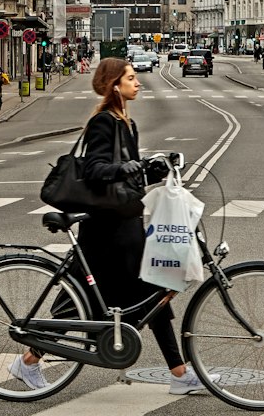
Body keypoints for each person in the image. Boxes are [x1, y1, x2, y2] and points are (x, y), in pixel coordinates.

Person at [11, 58, 203, 395]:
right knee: (82, 303)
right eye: (131, 78)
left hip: (125, 224)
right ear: (115, 84)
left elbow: (125, 171)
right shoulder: (103, 122)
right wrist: (133, 166)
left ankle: (179, 373)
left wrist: (151, 171)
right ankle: (28, 360)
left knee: (151, 297)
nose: (138, 82)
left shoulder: (126, 122)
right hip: (106, 230)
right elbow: (98, 170)